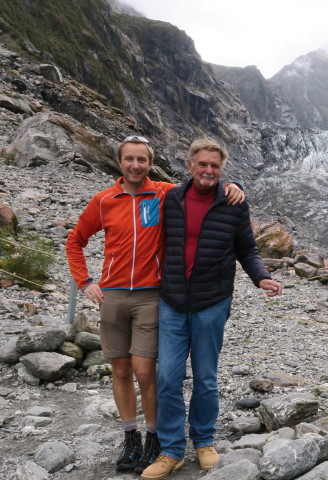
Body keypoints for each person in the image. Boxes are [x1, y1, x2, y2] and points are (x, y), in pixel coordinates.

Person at [66, 135, 244, 473]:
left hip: (151, 293)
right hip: (113, 294)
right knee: (119, 369)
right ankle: (130, 436)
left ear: (150, 163)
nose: (136, 165)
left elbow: (201, 185)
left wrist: (231, 186)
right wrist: (84, 281)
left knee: (146, 372)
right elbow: (76, 240)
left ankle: (156, 438)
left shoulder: (164, 192)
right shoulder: (104, 200)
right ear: (119, 162)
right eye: (129, 159)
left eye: (142, 160)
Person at [141, 138, 282, 480]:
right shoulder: (172, 197)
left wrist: (260, 277)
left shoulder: (234, 204)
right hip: (173, 301)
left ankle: (204, 441)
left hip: (212, 303)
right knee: (167, 377)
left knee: (205, 378)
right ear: (190, 165)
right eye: (202, 164)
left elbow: (246, 249)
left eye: (215, 166)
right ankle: (172, 450)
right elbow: (140, 192)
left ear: (222, 170)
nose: (208, 171)